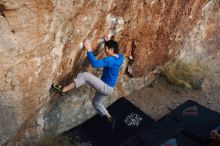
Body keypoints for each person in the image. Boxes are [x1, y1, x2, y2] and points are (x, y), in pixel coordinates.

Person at [53, 38, 124, 129]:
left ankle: (63, 90)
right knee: (96, 103)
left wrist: (89, 48)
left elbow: (95, 64)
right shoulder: (120, 58)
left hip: (105, 87)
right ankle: (110, 118)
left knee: (85, 76)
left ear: (111, 50)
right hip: (109, 88)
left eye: (106, 49)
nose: (105, 51)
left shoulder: (110, 60)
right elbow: (113, 47)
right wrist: (107, 41)